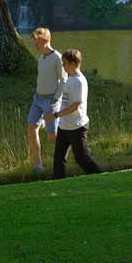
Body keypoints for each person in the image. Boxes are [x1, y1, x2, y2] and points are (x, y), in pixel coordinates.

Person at [44, 48, 101, 178]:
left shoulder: (78, 81)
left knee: (81, 158)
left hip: (77, 126)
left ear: (73, 63)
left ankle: (100, 176)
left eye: (64, 63)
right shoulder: (70, 78)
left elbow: (75, 106)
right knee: (59, 157)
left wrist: (55, 116)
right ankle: (58, 180)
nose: (63, 66)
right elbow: (65, 101)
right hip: (64, 126)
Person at [26, 26, 66, 173]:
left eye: (37, 42)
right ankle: (38, 166)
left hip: (51, 101)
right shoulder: (41, 58)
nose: (35, 45)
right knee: (31, 129)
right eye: (34, 43)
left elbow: (63, 80)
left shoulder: (57, 58)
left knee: (52, 136)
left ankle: (74, 149)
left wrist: (56, 99)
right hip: (38, 99)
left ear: (46, 40)